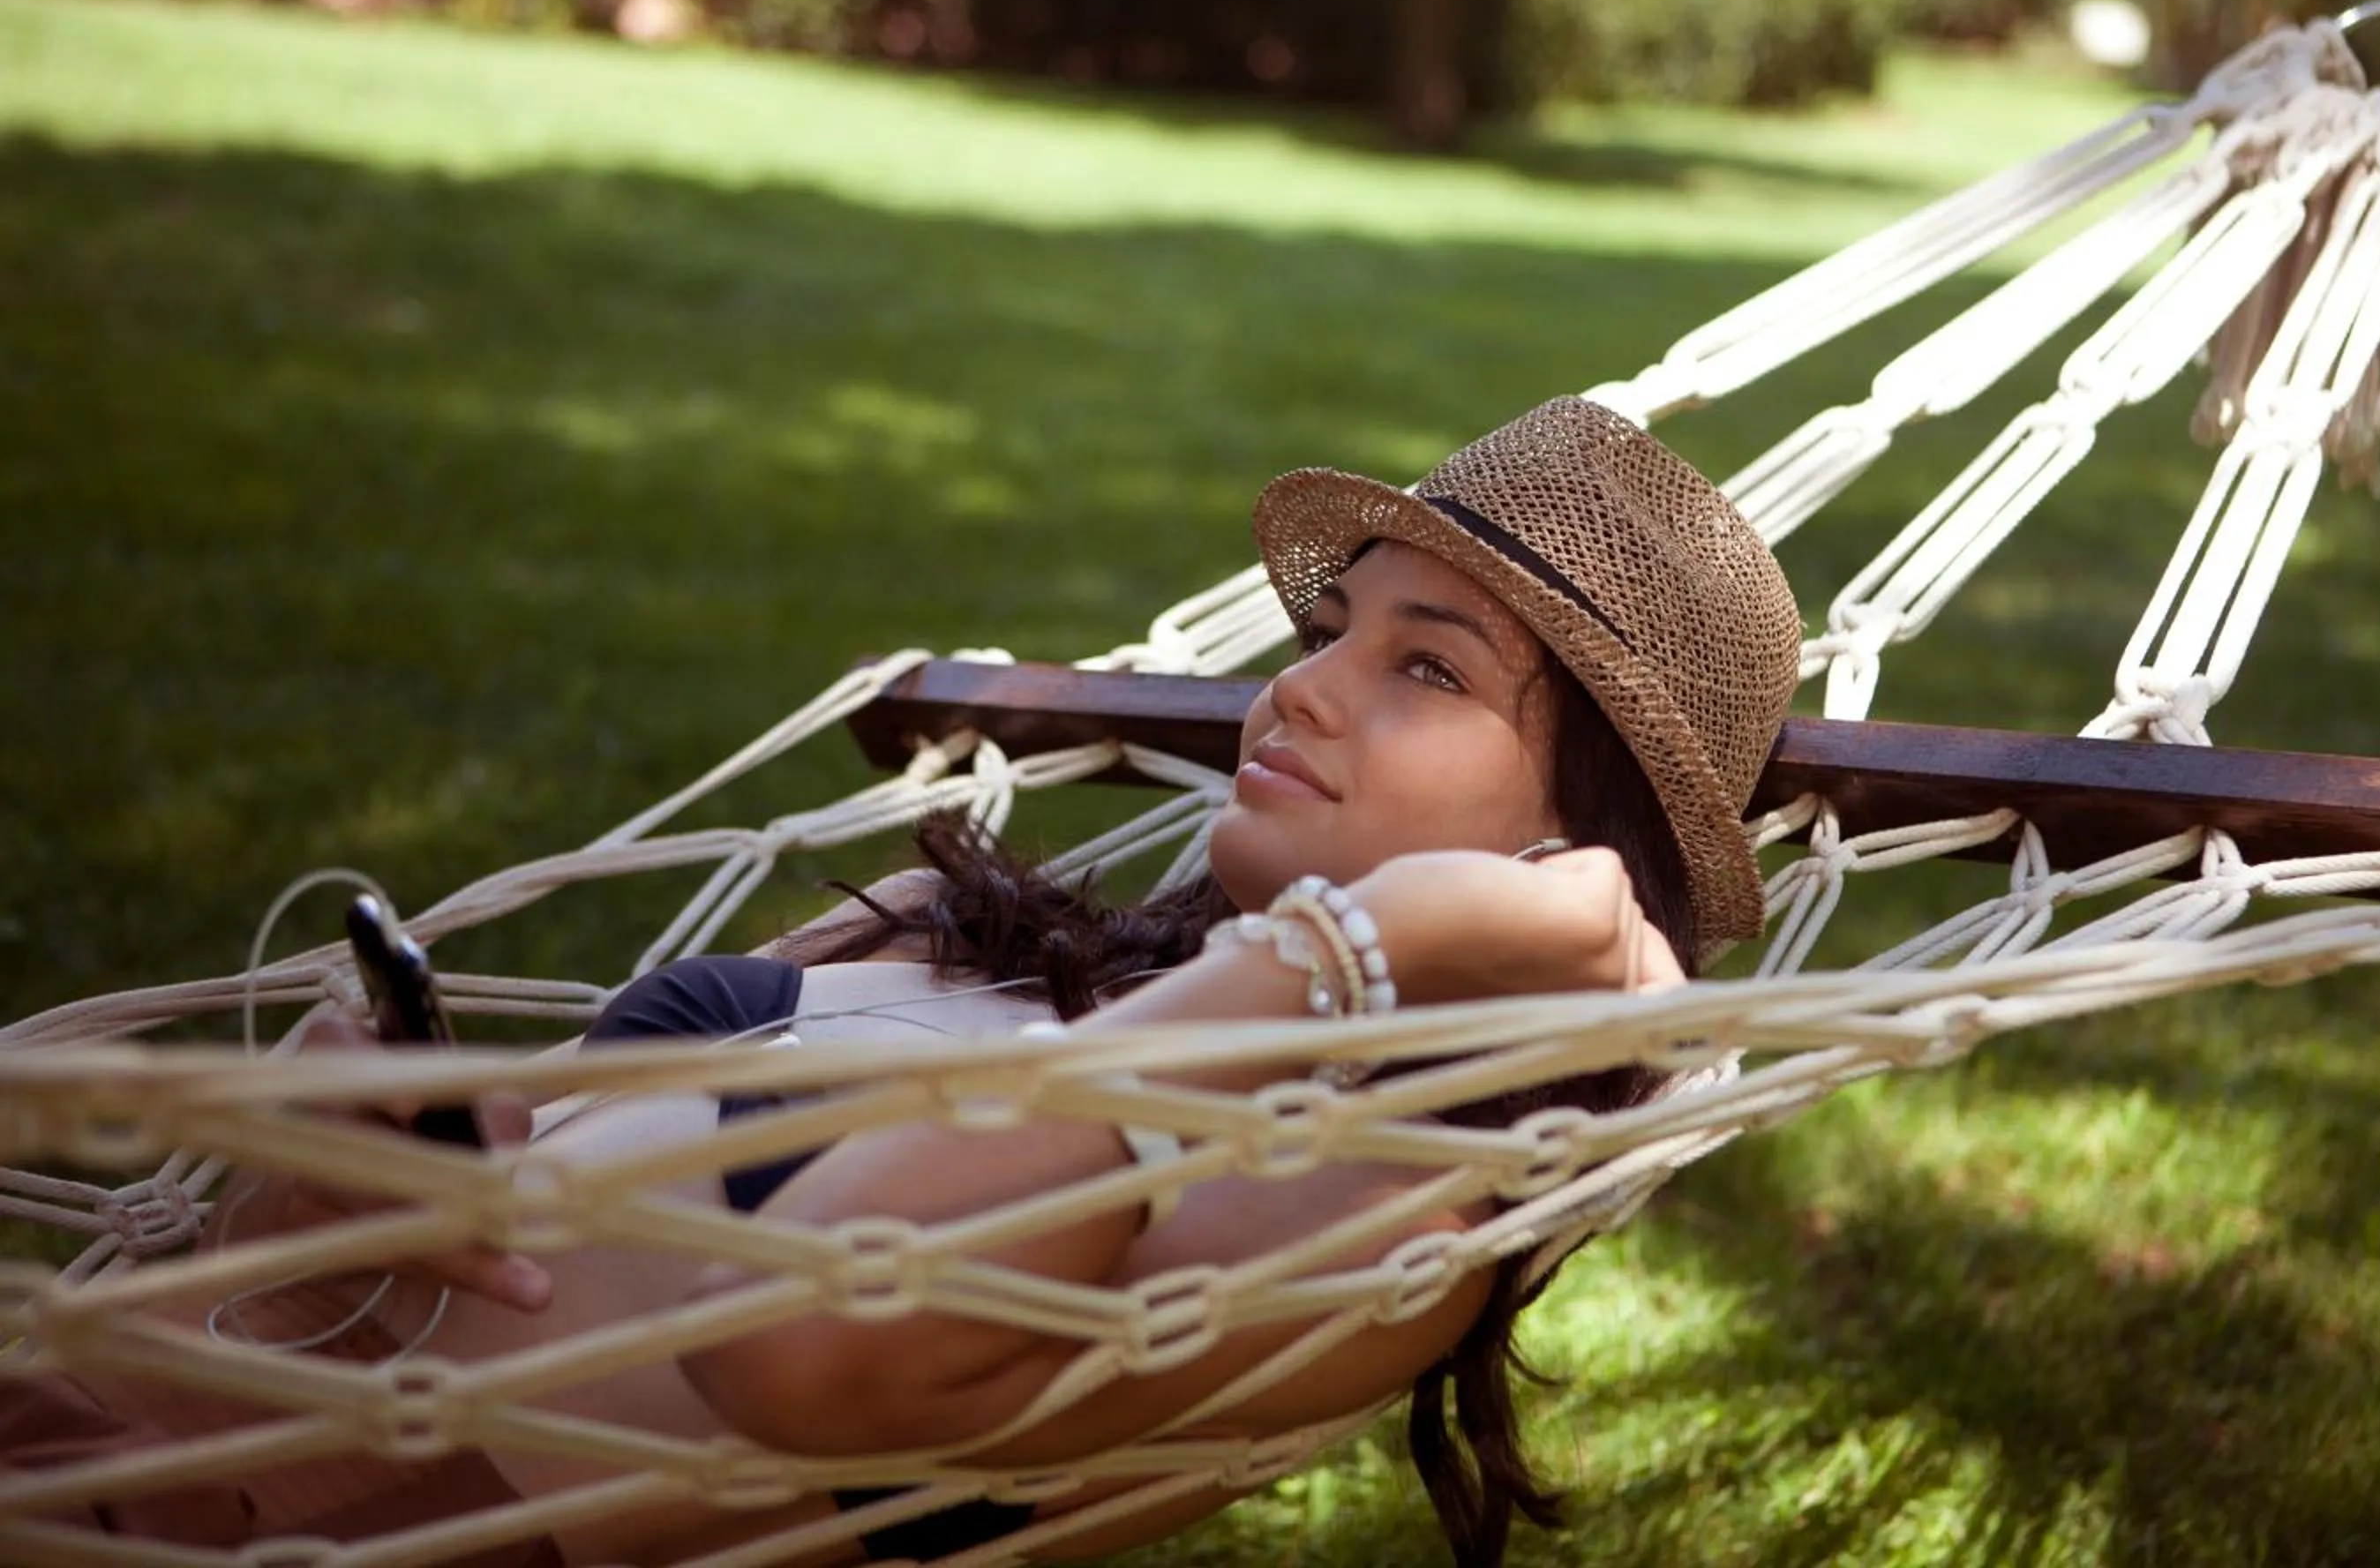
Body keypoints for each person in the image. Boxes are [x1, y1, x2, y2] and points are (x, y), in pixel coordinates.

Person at [29, 397, 1802, 1568]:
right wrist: (348, 1157)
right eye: (1328, 631)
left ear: (1582, 852)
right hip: (127, 1368)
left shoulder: (1384, 1212)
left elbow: (817, 1345)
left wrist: (1366, 949)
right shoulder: (963, 928)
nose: (1306, 689)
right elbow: (479, 1220)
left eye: (1427, 668)